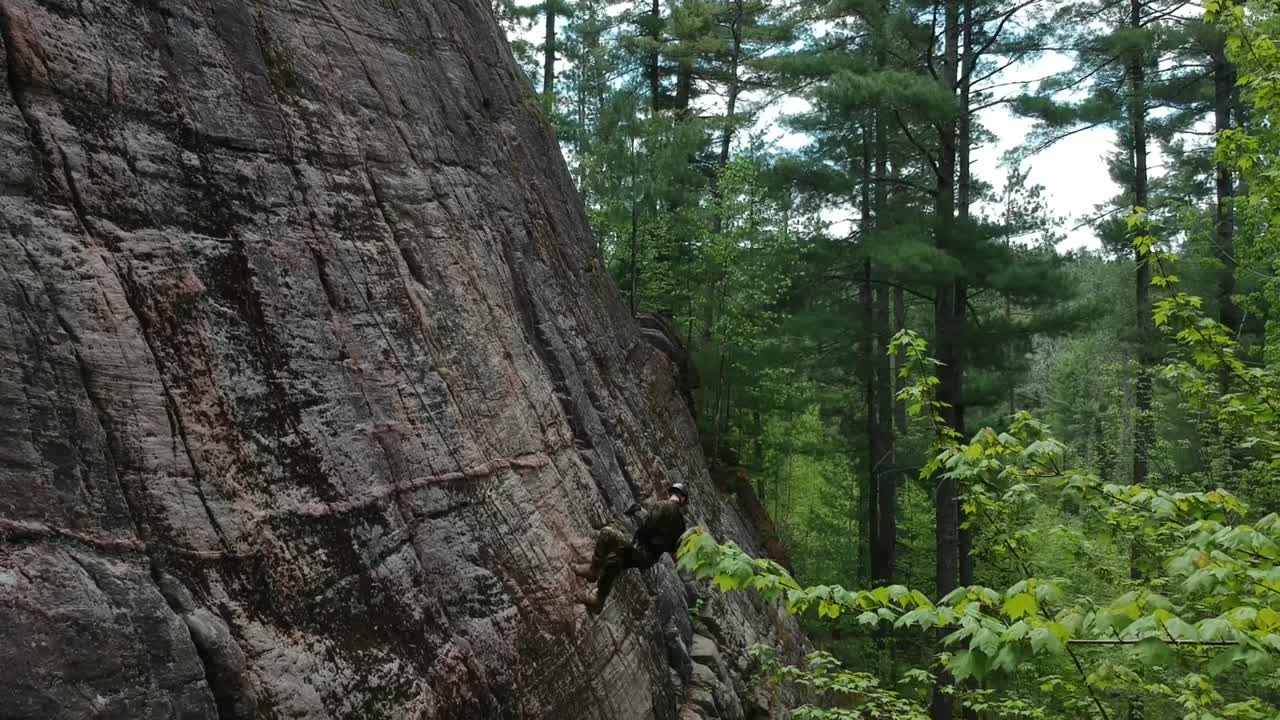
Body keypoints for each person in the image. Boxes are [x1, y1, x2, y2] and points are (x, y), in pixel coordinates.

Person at [573, 482, 690, 614]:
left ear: (671, 493)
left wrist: (638, 513)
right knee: (614, 562)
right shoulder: (681, 525)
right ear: (683, 500)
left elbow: (647, 527)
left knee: (607, 533)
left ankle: (592, 571)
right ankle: (598, 602)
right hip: (649, 559)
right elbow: (673, 548)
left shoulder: (662, 505)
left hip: (639, 550)